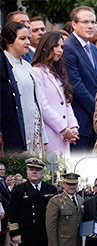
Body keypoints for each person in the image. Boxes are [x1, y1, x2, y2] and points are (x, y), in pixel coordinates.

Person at [1, 22, 48, 155]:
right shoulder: (5, 66)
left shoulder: (28, 65)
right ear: (10, 41)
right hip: (16, 132)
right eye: (22, 39)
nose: (28, 42)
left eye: (28, 38)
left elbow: (36, 102)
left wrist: (43, 137)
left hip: (35, 130)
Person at [32, 31, 79, 156]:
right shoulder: (37, 71)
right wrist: (63, 129)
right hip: (50, 133)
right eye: (56, 46)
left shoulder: (58, 73)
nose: (60, 50)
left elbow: (66, 103)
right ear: (45, 47)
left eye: (62, 47)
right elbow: (43, 106)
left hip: (65, 136)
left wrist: (73, 127)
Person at [62, 6, 97, 151]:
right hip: (80, 120)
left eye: (93, 22)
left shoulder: (92, 48)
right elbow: (75, 86)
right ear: (74, 24)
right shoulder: (68, 47)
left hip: (94, 122)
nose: (90, 26)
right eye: (85, 22)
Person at [0, 163, 12, 246]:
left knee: (4, 229)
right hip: (2, 208)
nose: (2, 171)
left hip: (6, 209)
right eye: (0, 170)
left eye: (3, 169)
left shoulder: (3, 181)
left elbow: (7, 194)